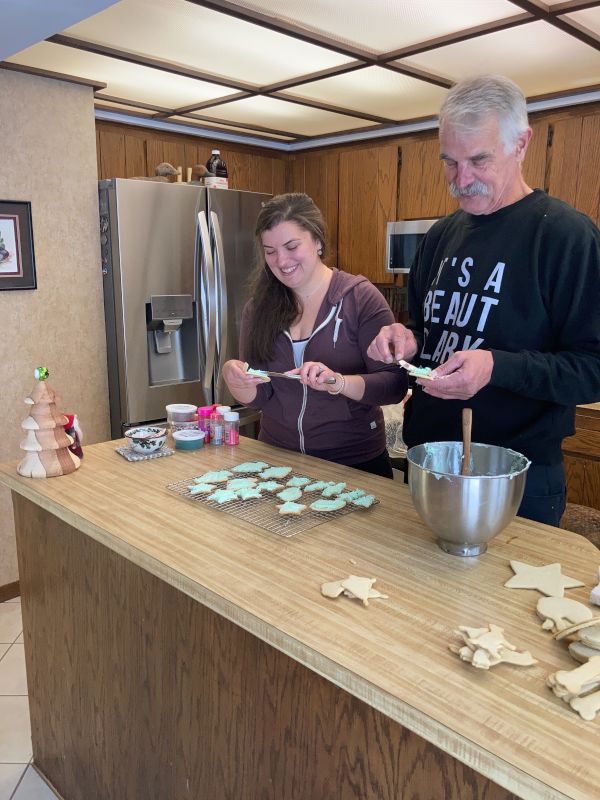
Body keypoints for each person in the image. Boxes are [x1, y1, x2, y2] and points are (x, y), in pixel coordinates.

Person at [367, 74, 600, 525]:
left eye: (479, 160)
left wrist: (496, 367)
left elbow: (594, 368)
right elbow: (428, 331)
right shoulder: (440, 236)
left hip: (516, 477)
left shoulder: (565, 236)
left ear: (521, 144)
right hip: (428, 462)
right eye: (450, 162)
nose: (462, 179)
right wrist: (407, 340)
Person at [221, 192, 408, 478]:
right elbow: (260, 395)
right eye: (270, 251)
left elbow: (394, 385)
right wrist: (236, 380)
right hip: (277, 462)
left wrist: (338, 382)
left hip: (354, 464)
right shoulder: (258, 308)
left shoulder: (360, 299)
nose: (281, 260)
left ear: (318, 240)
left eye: (291, 246)